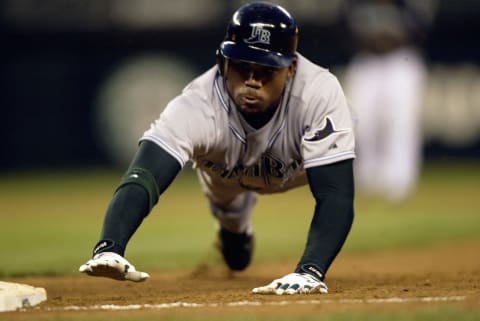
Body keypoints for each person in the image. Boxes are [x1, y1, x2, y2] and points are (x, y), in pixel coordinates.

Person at [79, 1, 355, 295]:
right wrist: (109, 246)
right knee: (236, 257)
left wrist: (310, 270)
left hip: (300, 167)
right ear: (223, 60)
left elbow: (335, 194)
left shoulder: (318, 92)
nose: (251, 80)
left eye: (265, 70)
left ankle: (246, 231)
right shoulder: (196, 105)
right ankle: (234, 227)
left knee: (332, 176)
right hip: (227, 175)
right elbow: (144, 175)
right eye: (242, 66)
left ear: (291, 69)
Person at [342, 0, 433, 202]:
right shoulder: (354, 5)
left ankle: (399, 182)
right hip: (367, 61)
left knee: (401, 124)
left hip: (401, 61)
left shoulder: (407, 5)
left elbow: (423, 28)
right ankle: (367, 180)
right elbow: (343, 30)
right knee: (360, 123)